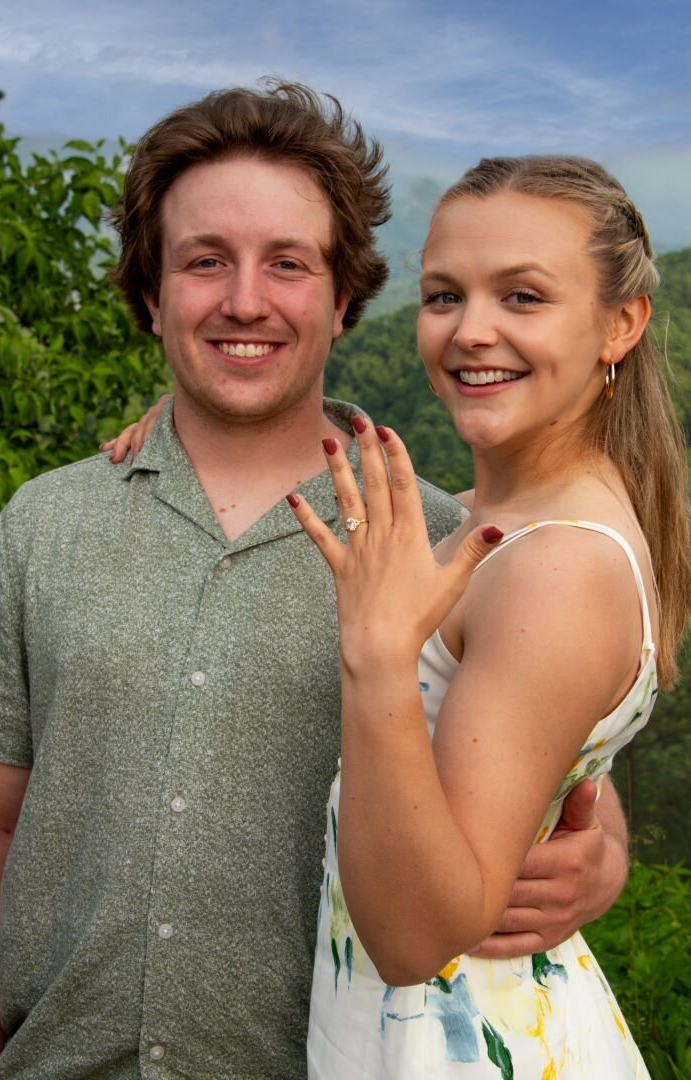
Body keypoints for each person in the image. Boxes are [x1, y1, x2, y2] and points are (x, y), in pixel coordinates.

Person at [0, 82, 627, 1080]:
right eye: (203, 262)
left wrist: (601, 845)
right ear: (152, 295)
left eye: (288, 263)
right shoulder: (44, 527)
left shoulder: (449, 548)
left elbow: (543, 751)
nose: (245, 300)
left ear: (344, 297)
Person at [281, 156, 691, 1076]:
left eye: (523, 297)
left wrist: (380, 657)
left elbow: (418, 938)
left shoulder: (555, 567)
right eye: (442, 296)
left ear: (620, 324)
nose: (471, 331)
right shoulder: (505, 524)